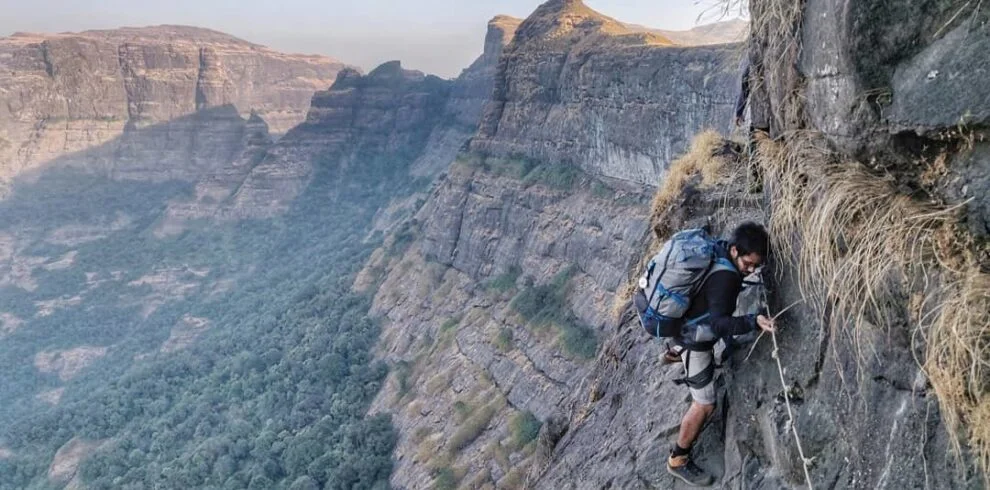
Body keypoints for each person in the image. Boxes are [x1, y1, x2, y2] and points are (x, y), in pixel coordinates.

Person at [666, 222, 776, 486]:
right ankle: (678, 459)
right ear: (736, 250)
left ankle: (675, 350)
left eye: (755, 266)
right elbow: (717, 323)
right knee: (704, 405)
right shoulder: (726, 278)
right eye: (748, 264)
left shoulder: (719, 250)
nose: (750, 270)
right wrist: (754, 320)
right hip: (695, 341)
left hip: (685, 324)